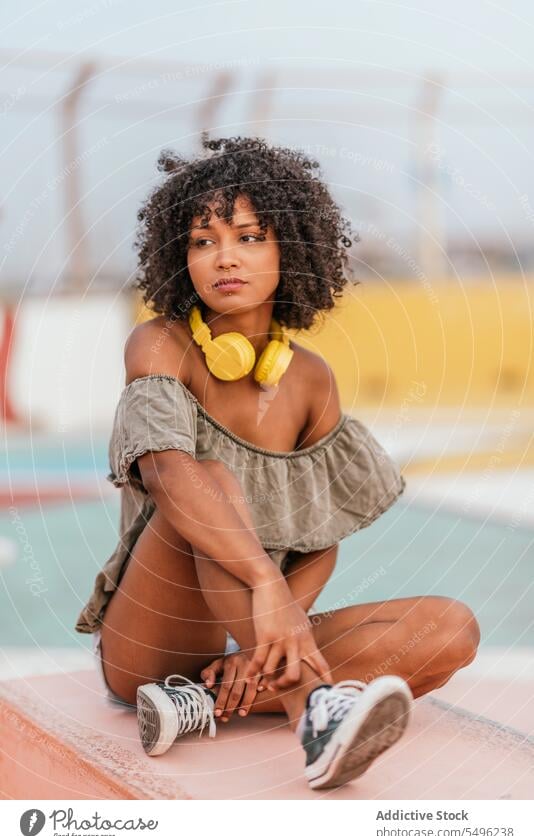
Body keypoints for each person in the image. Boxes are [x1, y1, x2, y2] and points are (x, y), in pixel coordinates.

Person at [75, 134, 480, 791]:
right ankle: (315, 710)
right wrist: (267, 585)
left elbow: (321, 537)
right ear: (181, 259)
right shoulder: (158, 345)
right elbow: (171, 476)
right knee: (212, 478)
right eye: (203, 241)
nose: (223, 257)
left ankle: (200, 703)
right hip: (152, 636)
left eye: (247, 237)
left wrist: (282, 618)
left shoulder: (312, 382)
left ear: (289, 249)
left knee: (449, 630)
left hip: (256, 635)